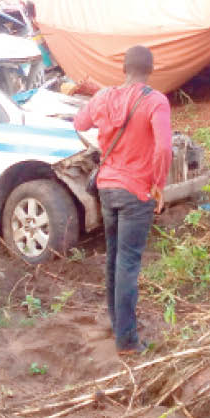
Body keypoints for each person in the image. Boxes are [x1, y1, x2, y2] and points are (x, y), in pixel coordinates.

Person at [73, 46, 171, 355]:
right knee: (128, 262)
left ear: (123, 68)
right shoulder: (155, 101)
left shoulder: (104, 97)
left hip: (107, 188)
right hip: (136, 191)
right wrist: (158, 186)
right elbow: (164, 149)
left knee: (115, 258)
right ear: (150, 70)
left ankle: (119, 326)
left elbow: (79, 123)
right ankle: (127, 342)